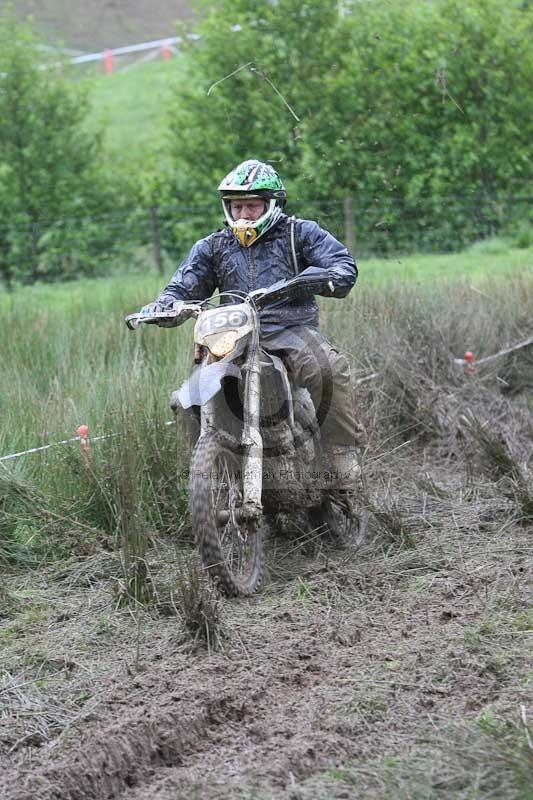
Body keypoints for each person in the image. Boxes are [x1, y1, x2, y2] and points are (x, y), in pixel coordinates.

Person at [139, 159, 362, 490]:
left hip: (289, 330)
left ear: (271, 204)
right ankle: (209, 472)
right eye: (237, 205)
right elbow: (184, 285)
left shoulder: (298, 233)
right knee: (185, 399)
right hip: (232, 337)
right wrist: (164, 305)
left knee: (327, 368)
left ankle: (340, 450)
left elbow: (343, 264)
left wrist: (321, 279)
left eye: (252, 206)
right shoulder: (213, 246)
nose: (244, 214)